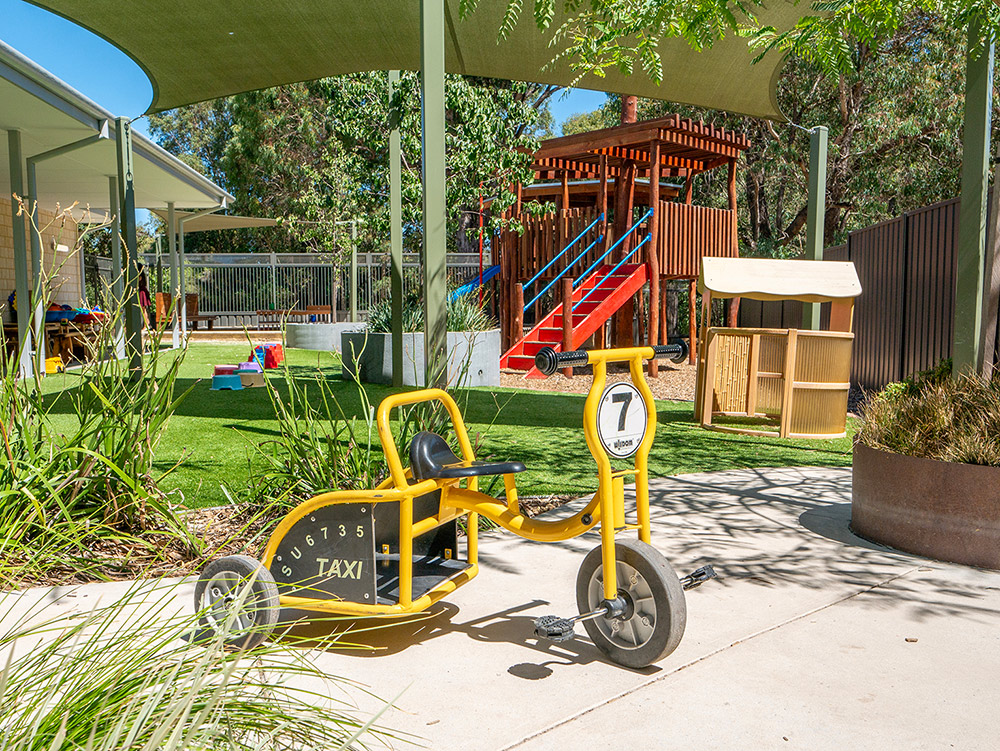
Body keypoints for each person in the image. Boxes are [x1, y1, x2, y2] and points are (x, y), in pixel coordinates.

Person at [136, 261, 152, 327]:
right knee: (143, 309)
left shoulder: (139, 276)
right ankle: (147, 323)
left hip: (141, 292)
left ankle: (146, 325)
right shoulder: (142, 275)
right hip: (142, 291)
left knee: (143, 309)